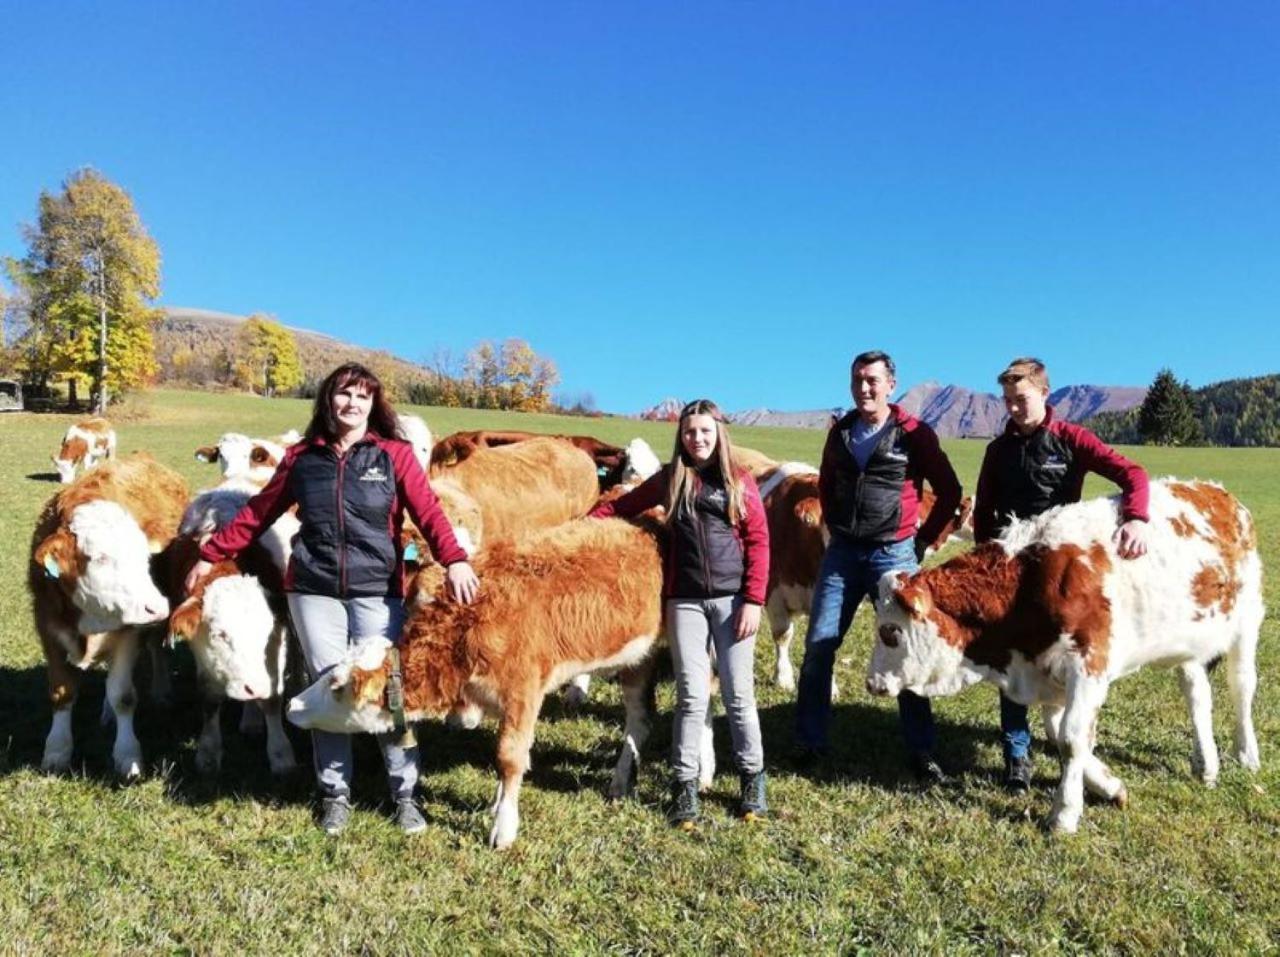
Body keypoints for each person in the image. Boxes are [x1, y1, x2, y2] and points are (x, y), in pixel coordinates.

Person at [185, 362, 479, 836]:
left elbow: (428, 512)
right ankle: (334, 793)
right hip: (313, 590)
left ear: (373, 404)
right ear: (328, 399)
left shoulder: (394, 456)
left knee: (390, 687)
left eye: (363, 396)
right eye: (344, 393)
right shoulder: (302, 458)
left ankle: (404, 792)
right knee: (328, 685)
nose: (352, 403)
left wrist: (455, 559)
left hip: (377, 591)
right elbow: (258, 513)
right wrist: (210, 554)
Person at [589, 399, 770, 829]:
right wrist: (585, 524)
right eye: (690, 432)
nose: (697, 439)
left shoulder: (739, 480)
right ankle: (684, 785)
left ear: (719, 433)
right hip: (684, 602)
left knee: (738, 696)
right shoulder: (671, 478)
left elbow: (759, 542)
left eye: (705, 431)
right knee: (691, 696)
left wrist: (753, 600)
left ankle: (752, 781)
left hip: (732, 602)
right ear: (681, 436)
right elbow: (623, 506)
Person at [974, 356, 1149, 791]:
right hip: (1012, 573)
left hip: (1062, 574)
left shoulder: (1071, 439)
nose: (1014, 408)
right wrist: (987, 563)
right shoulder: (998, 451)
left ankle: (1076, 745)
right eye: (1007, 400)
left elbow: (1132, 474)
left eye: (1022, 398)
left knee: (1072, 658)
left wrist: (1136, 518)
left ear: (1044, 393)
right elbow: (984, 513)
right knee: (1013, 659)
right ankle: (1016, 754)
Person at [794, 350, 962, 782]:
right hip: (843, 554)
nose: (864, 388)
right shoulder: (841, 432)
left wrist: (924, 539)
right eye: (857, 380)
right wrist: (835, 525)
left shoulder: (914, 434)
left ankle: (921, 749)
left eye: (872, 380)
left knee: (905, 648)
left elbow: (949, 490)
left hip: (893, 554)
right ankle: (810, 740)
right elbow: (826, 484)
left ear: (891, 384)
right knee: (819, 644)